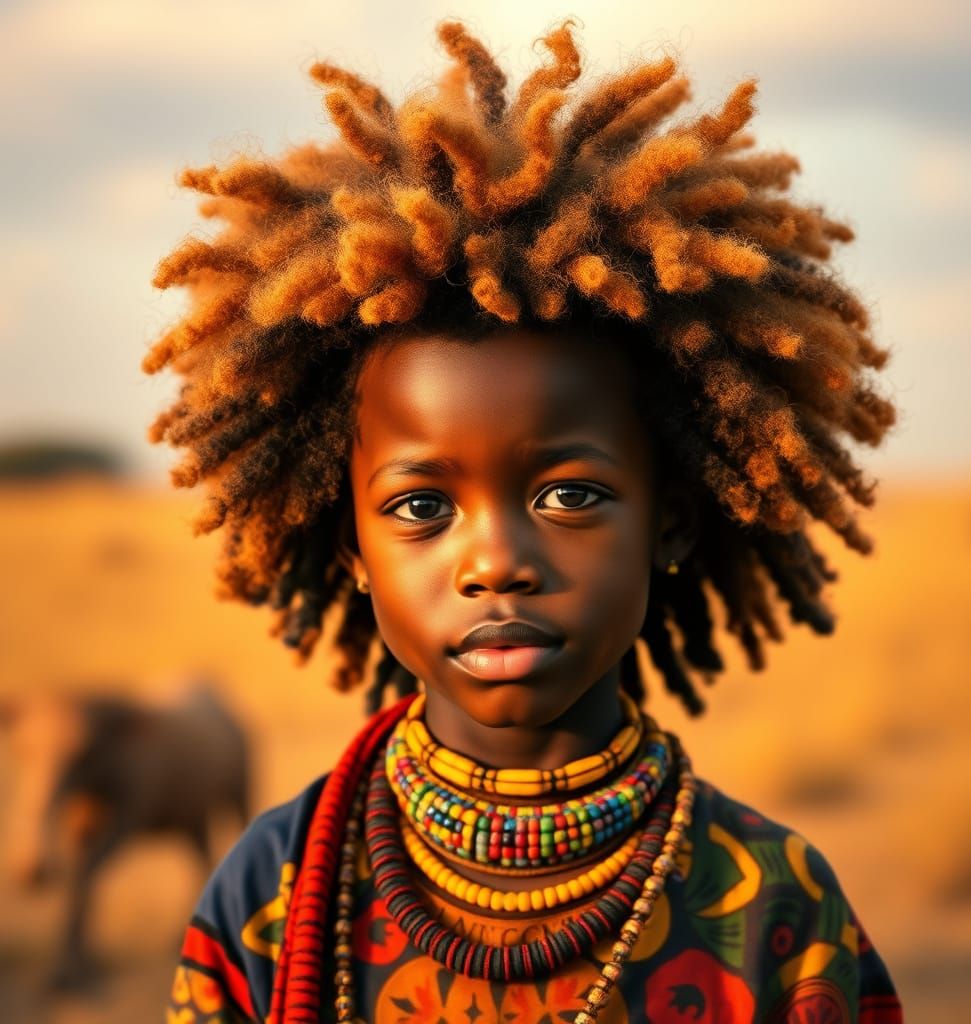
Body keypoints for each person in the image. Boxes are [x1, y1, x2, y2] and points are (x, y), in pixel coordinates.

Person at [149, 19, 903, 1024]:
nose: (496, 561)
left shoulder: (778, 907)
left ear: (670, 523)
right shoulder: (271, 896)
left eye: (569, 496)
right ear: (353, 552)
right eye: (421, 507)